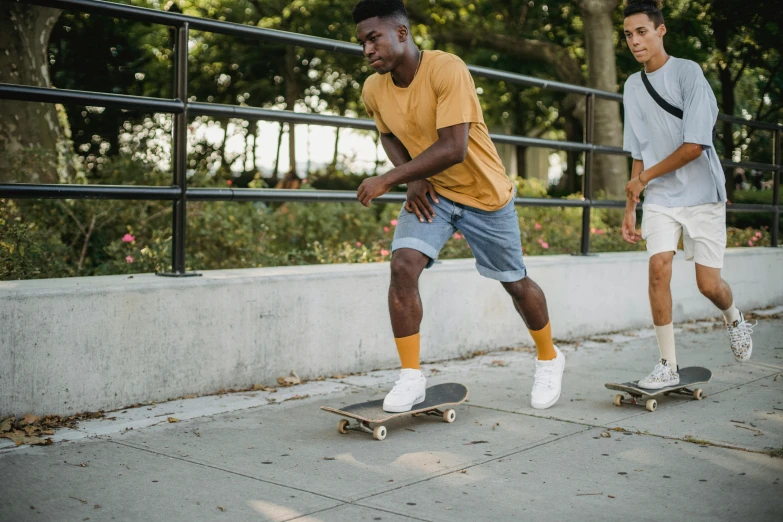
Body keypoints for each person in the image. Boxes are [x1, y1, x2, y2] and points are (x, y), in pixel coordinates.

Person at [352, 0, 565, 412]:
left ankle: (549, 357)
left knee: (515, 283)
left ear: (401, 32)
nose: (367, 49)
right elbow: (388, 135)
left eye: (373, 38)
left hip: (484, 195)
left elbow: (453, 147)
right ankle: (411, 378)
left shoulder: (447, 68)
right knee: (403, 266)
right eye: (362, 42)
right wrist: (413, 177)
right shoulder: (372, 89)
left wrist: (388, 180)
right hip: (433, 195)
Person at [621, 0, 755, 389]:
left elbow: (695, 145)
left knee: (708, 285)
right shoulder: (632, 85)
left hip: (701, 194)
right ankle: (667, 363)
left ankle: (734, 318)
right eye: (628, 34)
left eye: (641, 31)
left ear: (661, 30)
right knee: (658, 267)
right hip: (660, 196)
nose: (634, 40)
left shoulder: (688, 73)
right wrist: (631, 207)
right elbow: (637, 148)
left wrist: (643, 179)